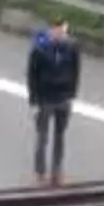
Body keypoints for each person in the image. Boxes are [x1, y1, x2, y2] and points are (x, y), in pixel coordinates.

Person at [27, 21, 81, 186]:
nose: (60, 33)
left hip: (63, 98)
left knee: (60, 137)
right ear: (50, 30)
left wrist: (71, 95)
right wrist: (34, 101)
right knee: (42, 137)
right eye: (57, 30)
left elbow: (76, 71)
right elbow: (32, 76)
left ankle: (56, 172)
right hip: (45, 99)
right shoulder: (39, 50)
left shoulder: (71, 47)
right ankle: (40, 173)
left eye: (63, 30)